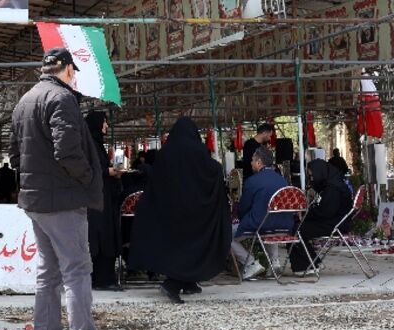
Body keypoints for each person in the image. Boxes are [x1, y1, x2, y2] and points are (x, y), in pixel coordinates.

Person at [9, 50, 118, 330]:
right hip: (62, 201)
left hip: (35, 200)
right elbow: (67, 150)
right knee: (77, 270)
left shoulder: (25, 101)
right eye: (74, 71)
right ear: (69, 69)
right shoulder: (62, 99)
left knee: (49, 272)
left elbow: (14, 156)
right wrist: (86, 178)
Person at [128, 117, 231, 305]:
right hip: (195, 211)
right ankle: (173, 284)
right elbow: (212, 171)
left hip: (171, 212)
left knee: (178, 248)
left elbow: (156, 181)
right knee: (194, 245)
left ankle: (188, 281)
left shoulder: (165, 153)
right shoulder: (199, 151)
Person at [231, 147, 293, 281]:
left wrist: (241, 218)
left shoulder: (253, 181)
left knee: (225, 235)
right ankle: (274, 262)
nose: (251, 163)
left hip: (260, 225)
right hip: (284, 225)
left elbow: (243, 208)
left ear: (259, 162)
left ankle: (251, 263)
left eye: (253, 160)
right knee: (270, 222)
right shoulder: (282, 181)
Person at [289, 159, 353, 273]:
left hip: (335, 224)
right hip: (337, 221)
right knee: (298, 227)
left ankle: (306, 265)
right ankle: (313, 262)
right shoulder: (334, 183)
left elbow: (325, 212)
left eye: (312, 176)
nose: (312, 179)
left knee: (297, 230)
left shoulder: (333, 188)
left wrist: (305, 215)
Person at [85, 111, 123, 291]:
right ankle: (99, 279)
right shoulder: (88, 145)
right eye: (104, 122)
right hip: (95, 202)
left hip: (102, 198)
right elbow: (86, 171)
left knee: (104, 235)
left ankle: (105, 277)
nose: (106, 126)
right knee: (98, 237)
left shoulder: (96, 145)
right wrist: (107, 172)